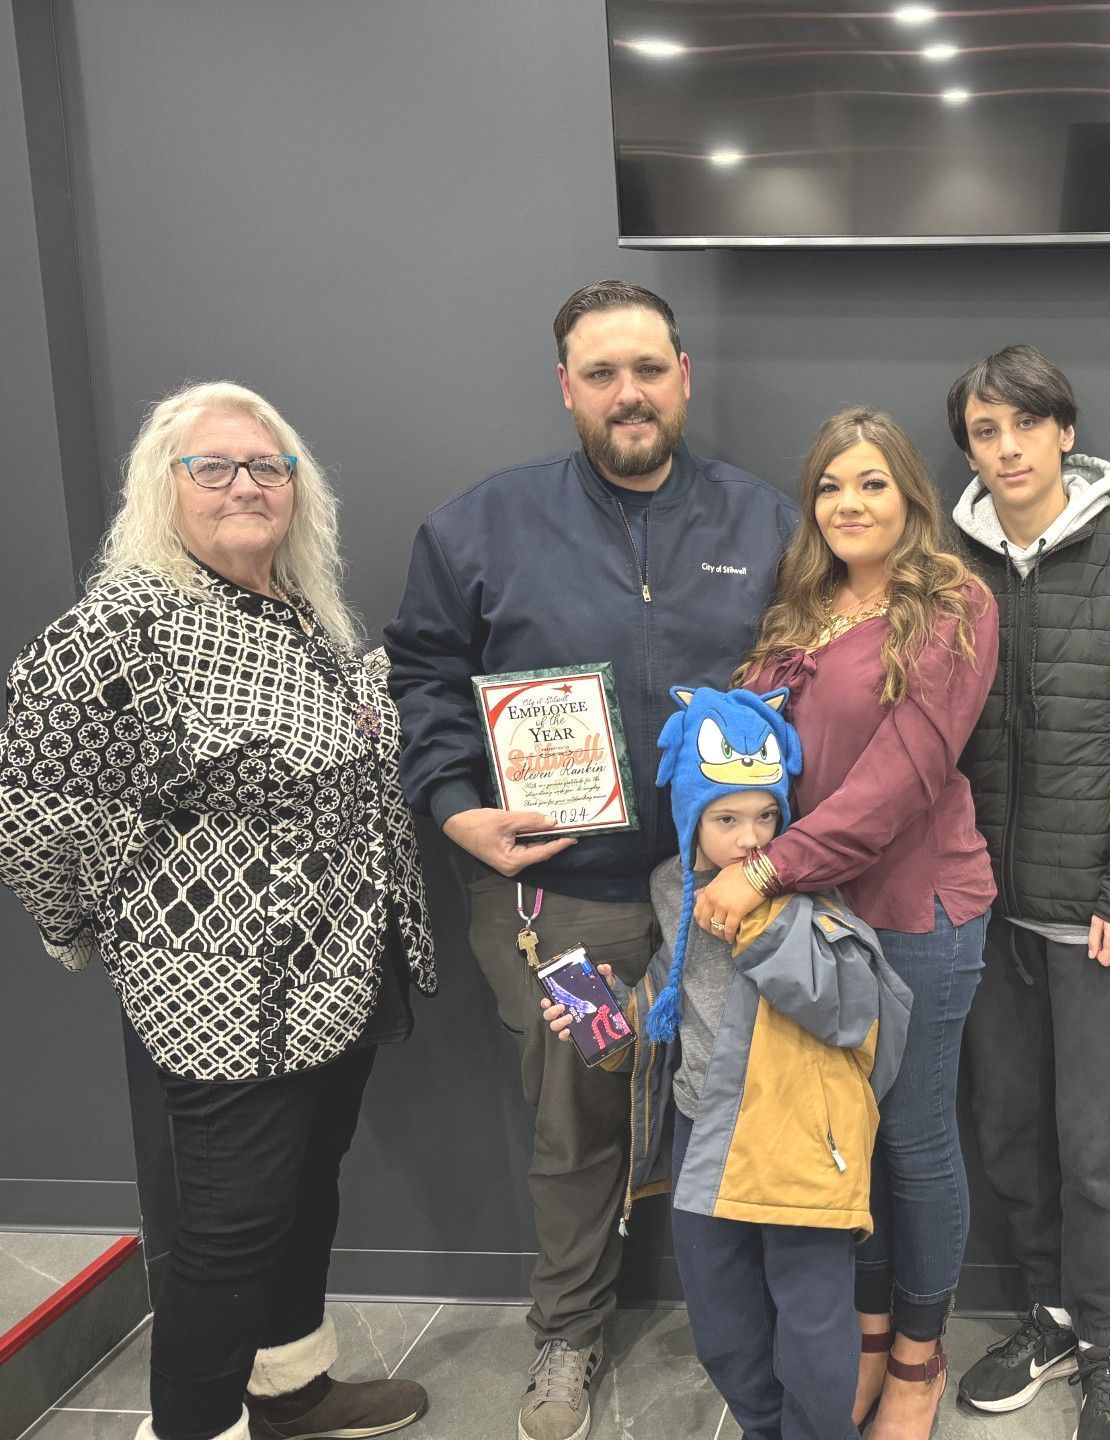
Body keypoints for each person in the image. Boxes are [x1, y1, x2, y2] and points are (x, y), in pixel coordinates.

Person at [384, 282, 797, 1440]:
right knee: (579, 1122)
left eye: (649, 369)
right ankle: (567, 1336)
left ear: (683, 378)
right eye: (601, 373)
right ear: (566, 387)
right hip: (561, 901)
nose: (629, 394)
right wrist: (454, 806)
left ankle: (755, 1332)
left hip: (732, 894)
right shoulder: (480, 526)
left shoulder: (766, 524)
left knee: (741, 1108)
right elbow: (420, 680)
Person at [0, 381, 438, 1440]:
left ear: (298, 488)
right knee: (225, 1236)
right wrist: (112, 936)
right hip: (225, 999)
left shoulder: (305, 610)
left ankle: (289, 1388)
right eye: (215, 467)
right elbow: (35, 807)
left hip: (339, 975)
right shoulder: (124, 627)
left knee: (304, 1194)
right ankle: (191, 1429)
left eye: (267, 466)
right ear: (167, 488)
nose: (245, 484)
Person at [698, 408, 998, 1440]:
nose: (850, 504)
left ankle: (917, 1357)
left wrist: (772, 866)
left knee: (913, 1146)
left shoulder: (954, 603)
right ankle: (866, 1335)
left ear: (912, 496)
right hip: (808, 930)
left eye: (873, 483)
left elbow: (904, 776)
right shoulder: (801, 610)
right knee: (843, 1153)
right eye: (831, 485)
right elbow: (752, 754)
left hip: (916, 917)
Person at [542, 684, 911, 1440]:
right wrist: (607, 1020)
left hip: (797, 1137)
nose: (752, 838)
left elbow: (849, 1011)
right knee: (721, 1316)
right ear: (690, 820)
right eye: (727, 819)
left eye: (767, 816)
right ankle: (761, 1427)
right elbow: (667, 1002)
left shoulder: (803, 887)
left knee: (811, 1322)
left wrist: (757, 918)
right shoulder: (670, 888)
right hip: (702, 1126)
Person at [942, 344, 1110, 1440]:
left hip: (1091, 911)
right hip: (976, 911)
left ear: (1064, 432)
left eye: (1024, 427)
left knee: (1095, 1151)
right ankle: (1044, 1315)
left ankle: (1106, 1343)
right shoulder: (944, 560)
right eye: (985, 434)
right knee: (1006, 1134)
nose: (1006, 450)